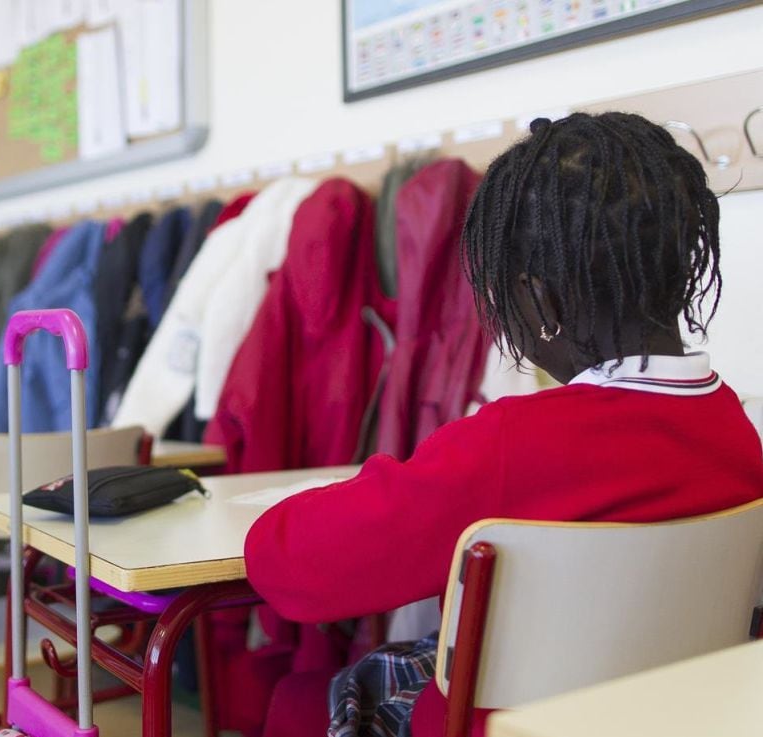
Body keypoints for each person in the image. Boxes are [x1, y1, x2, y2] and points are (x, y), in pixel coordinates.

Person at [244, 112, 763, 737]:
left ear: (537, 300)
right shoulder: (734, 430)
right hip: (660, 716)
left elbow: (294, 568)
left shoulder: (511, 444)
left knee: (300, 700)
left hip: (499, 726)